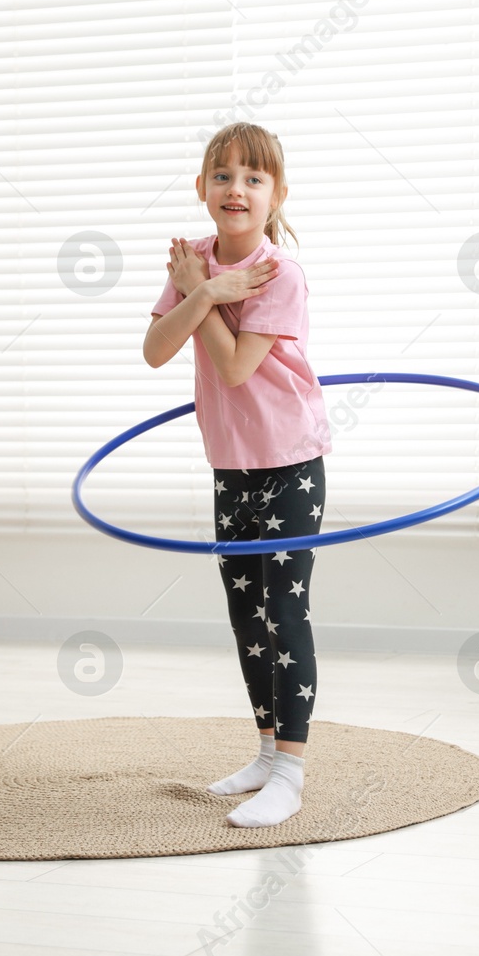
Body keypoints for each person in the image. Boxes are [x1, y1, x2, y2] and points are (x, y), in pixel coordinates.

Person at [143, 122, 332, 828]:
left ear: (276, 194)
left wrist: (209, 292)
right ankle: (263, 749)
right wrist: (205, 289)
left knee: (285, 612)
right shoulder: (192, 260)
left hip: (289, 461)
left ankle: (291, 769)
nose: (236, 189)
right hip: (230, 462)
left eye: (253, 178)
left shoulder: (282, 273)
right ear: (201, 189)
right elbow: (155, 350)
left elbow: (233, 366)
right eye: (222, 176)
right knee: (244, 614)